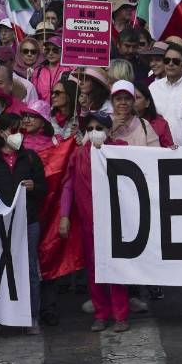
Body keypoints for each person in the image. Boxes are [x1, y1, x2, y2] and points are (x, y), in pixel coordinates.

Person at [0, 111, 47, 337]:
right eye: (13, 130)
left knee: (29, 270)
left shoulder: (31, 158)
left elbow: (44, 189)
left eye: (20, 131)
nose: (18, 135)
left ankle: (31, 316)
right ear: (2, 132)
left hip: (27, 222)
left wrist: (34, 187)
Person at [59, 111, 130, 332]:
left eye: (99, 128)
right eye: (89, 128)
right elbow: (68, 185)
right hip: (89, 222)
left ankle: (120, 315)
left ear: (109, 131)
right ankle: (101, 313)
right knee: (94, 269)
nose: (93, 132)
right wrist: (64, 216)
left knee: (117, 267)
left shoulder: (121, 149)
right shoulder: (79, 154)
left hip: (117, 221)